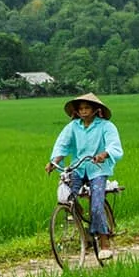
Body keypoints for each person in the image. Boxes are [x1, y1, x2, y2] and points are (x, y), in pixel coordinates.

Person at [49, 92, 123, 241]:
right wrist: (54, 161)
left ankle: (104, 242)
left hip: (98, 170)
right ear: (76, 111)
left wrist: (105, 154)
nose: (83, 111)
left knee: (96, 206)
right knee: (66, 197)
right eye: (81, 108)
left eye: (87, 108)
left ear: (95, 109)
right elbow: (63, 144)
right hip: (78, 167)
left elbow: (114, 145)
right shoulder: (73, 127)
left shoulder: (106, 126)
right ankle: (83, 227)